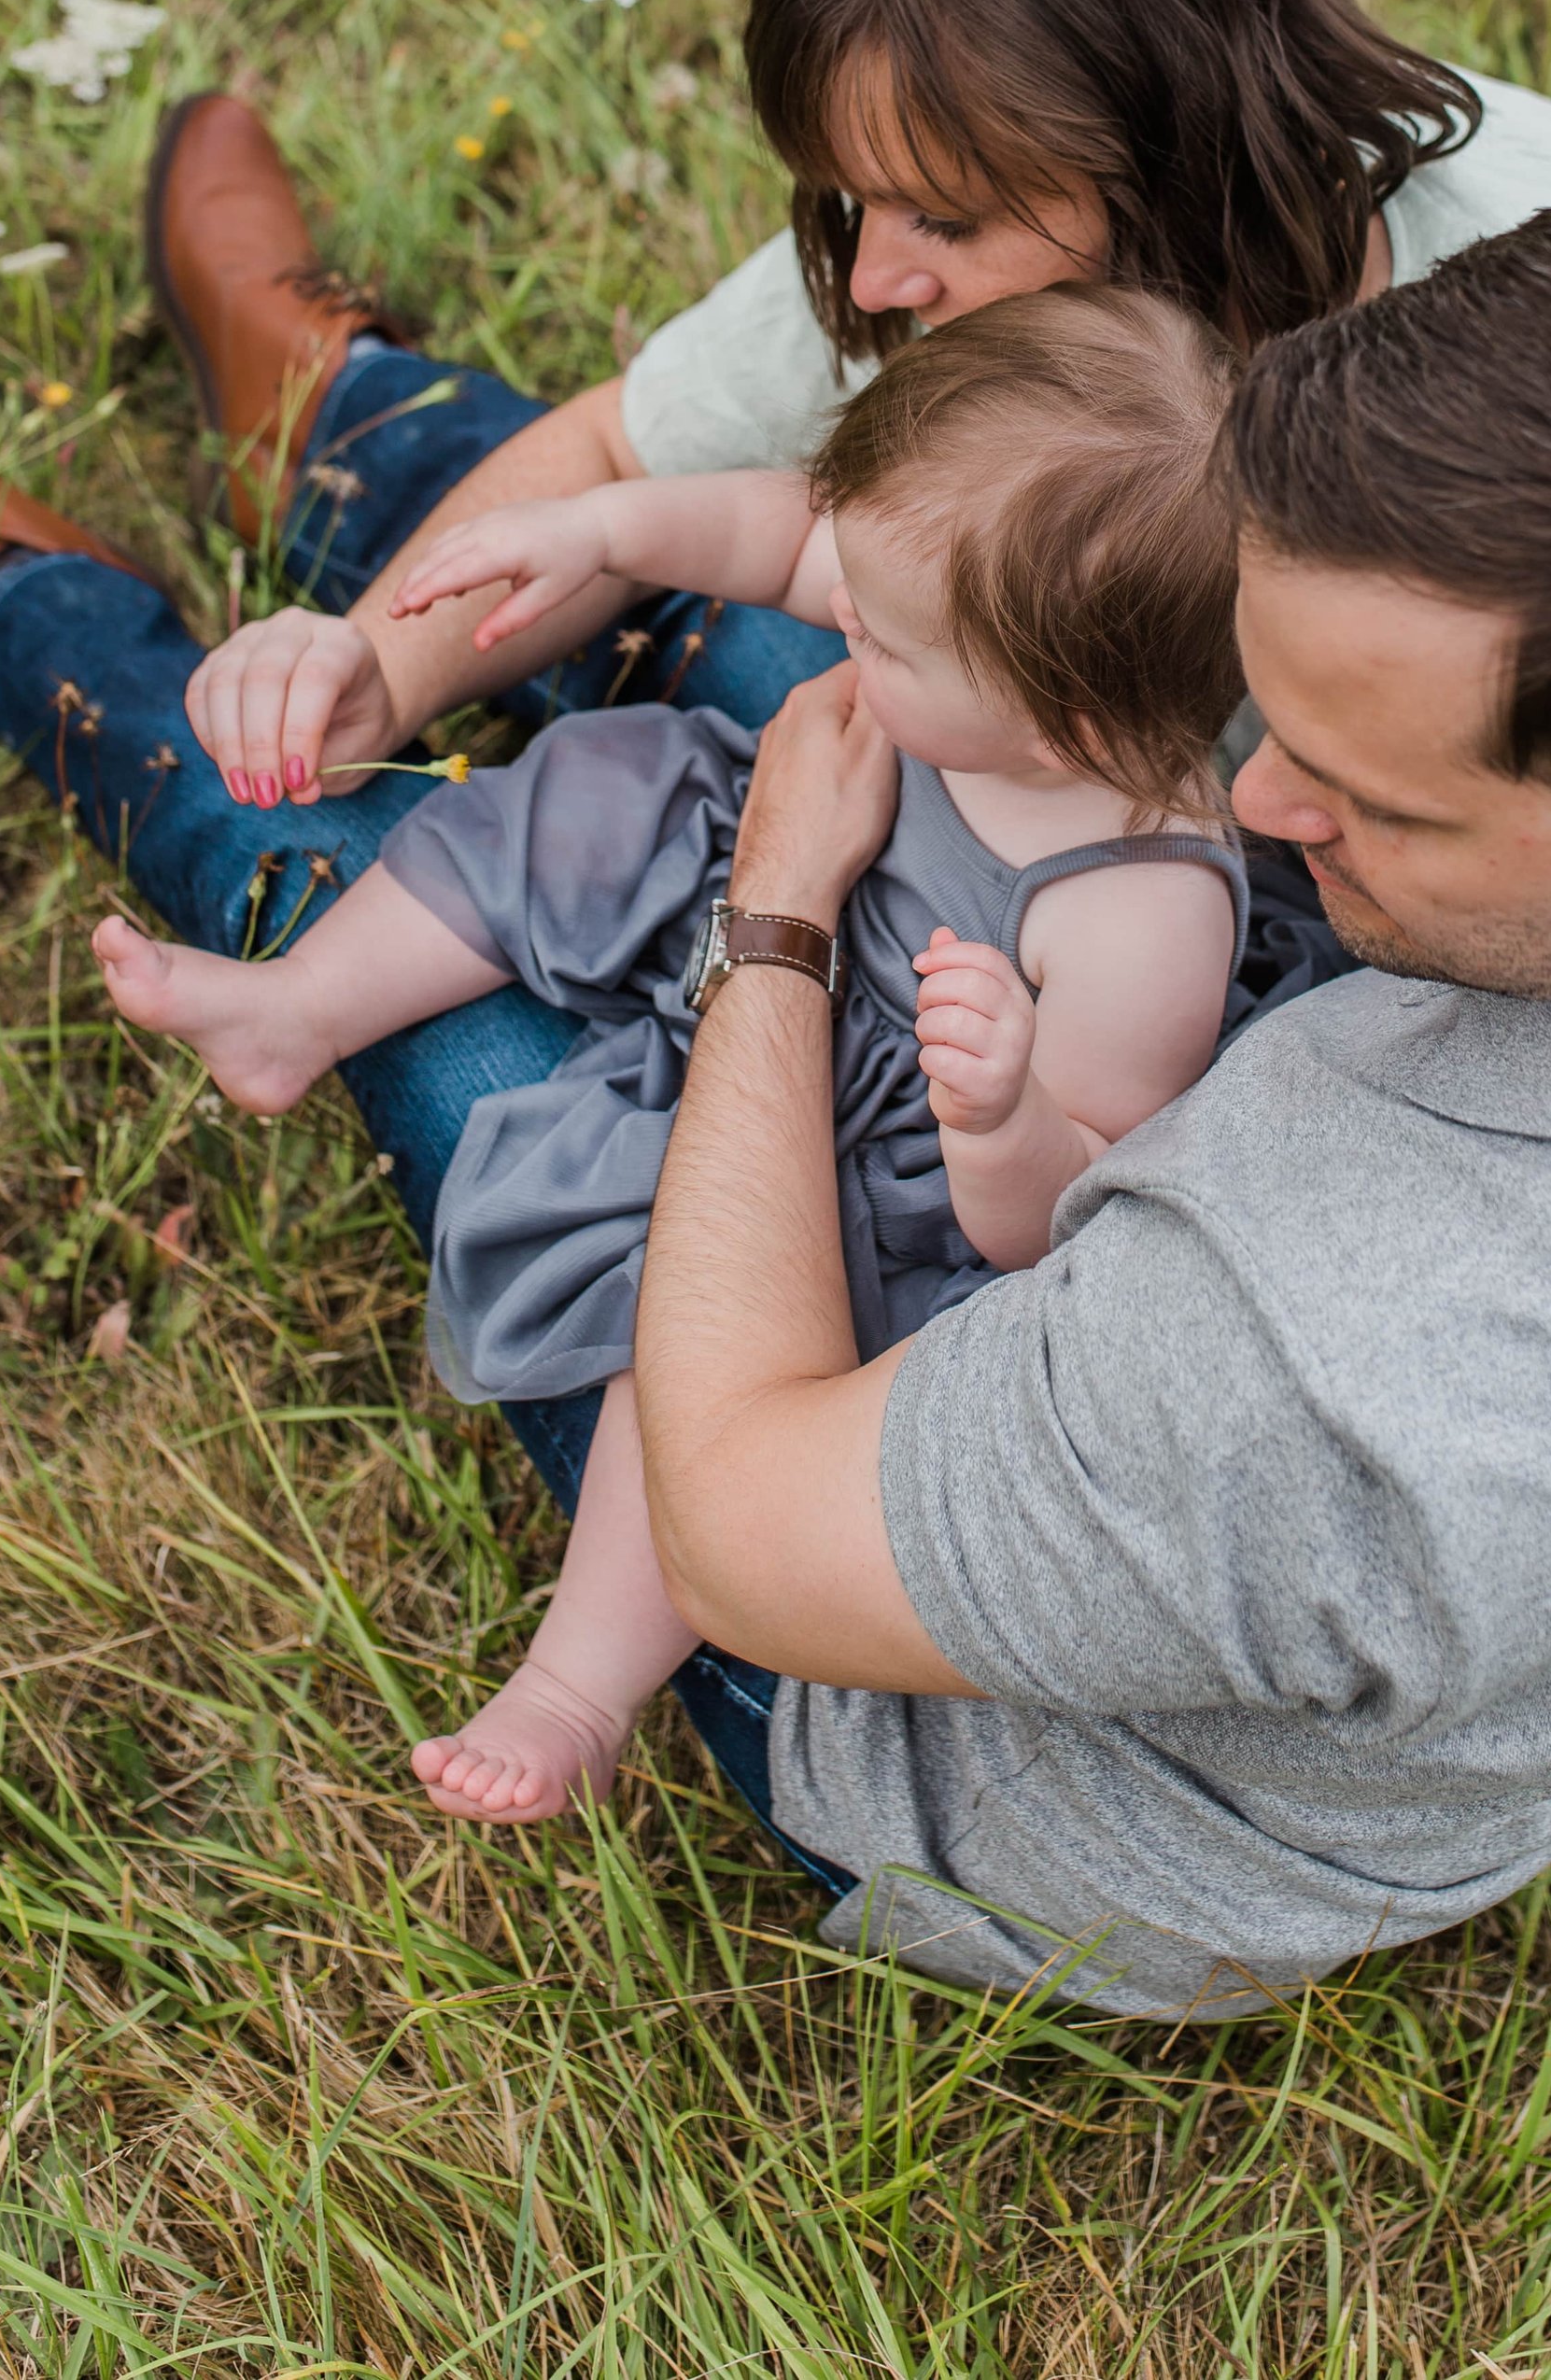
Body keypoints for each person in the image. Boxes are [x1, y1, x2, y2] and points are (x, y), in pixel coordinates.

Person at [0, 0, 1551, 1950]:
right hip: (941, 710)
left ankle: (23, 597)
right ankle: (328, 416)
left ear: (1174, 160)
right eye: (847, 206)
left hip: (1153, 986)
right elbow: (643, 462)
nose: (875, 273)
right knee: (559, 640)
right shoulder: (950, 215)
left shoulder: (1546, 300)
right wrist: (368, 663)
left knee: (411, 933)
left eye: (941, 221)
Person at [613, 177, 1551, 2015]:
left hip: (966, 1787)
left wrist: (775, 926)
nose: (1252, 811)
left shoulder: (1328, 1353)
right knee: (873, 626)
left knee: (432, 875)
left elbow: (732, 1524)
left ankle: (163, 650)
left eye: (1378, 802)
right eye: (1269, 713)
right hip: (1424, 1582)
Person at [92, 287, 1248, 1825]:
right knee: (577, 799)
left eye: (883, 640)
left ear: (1070, 718)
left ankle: (578, 1681)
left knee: (690, 1333)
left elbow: (1064, 1224)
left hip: (872, 1148)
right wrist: (604, 536)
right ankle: (298, 1006)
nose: (837, 624)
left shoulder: (1142, 911)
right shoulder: (961, 598)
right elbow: (785, 536)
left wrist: (1001, 1110)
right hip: (761, 881)